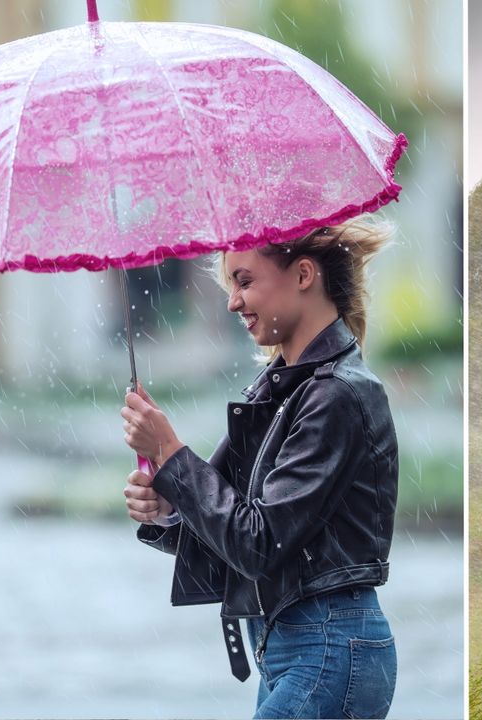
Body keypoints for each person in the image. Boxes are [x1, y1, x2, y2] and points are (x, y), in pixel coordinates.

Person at [120, 221, 399, 719]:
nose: (233, 302)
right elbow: (241, 524)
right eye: (231, 286)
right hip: (296, 650)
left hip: (328, 650)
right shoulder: (282, 389)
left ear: (304, 274)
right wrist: (169, 507)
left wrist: (169, 449)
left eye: (244, 281)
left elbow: (257, 542)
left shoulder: (338, 394)